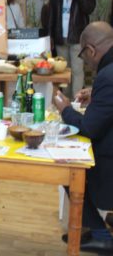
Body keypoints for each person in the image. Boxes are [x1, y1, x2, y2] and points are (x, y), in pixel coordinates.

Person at [53, 21, 113, 254]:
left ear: (91, 50)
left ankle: (101, 236)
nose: (85, 62)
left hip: (109, 158)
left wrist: (65, 109)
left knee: (68, 169)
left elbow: (88, 128)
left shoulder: (108, 76)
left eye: (83, 56)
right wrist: (96, 94)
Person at [48, 0, 96, 96]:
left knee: (77, 70)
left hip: (77, 38)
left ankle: (77, 99)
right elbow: (51, 17)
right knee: (64, 70)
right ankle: (67, 99)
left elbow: (89, 8)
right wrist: (50, 36)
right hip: (60, 38)